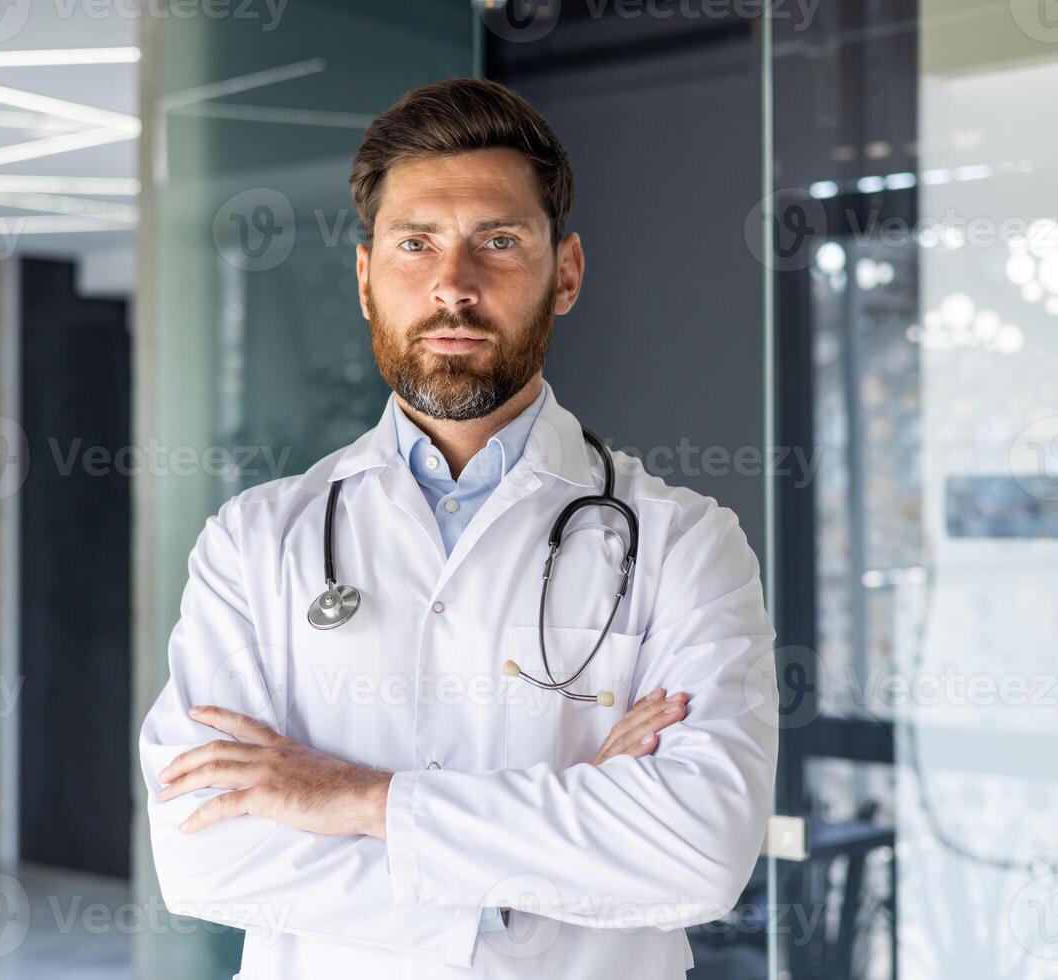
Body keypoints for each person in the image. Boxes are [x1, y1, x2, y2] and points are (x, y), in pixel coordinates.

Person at [137, 77, 778, 979]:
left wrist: (357, 802)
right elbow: (202, 849)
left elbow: (699, 852)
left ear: (567, 273)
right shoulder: (255, 543)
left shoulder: (685, 544)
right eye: (415, 243)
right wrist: (572, 826)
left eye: (500, 241)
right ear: (366, 279)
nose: (452, 285)